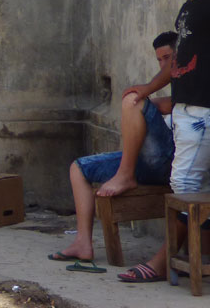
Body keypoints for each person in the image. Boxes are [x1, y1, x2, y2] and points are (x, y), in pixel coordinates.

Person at [112, 0, 210, 283]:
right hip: (188, 110)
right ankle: (175, 259)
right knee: (187, 188)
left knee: (184, 187)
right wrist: (149, 87)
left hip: (202, 112)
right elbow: (178, 59)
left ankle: (161, 261)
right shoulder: (190, 5)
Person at [49, 32, 177, 270]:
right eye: (159, 60)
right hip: (149, 162)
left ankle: (125, 174)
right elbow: (164, 104)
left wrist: (148, 98)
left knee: (133, 100)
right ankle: (82, 244)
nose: (163, 65)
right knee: (78, 168)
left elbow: (170, 103)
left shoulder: (193, 79)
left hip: (172, 163)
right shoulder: (171, 85)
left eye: (168, 58)